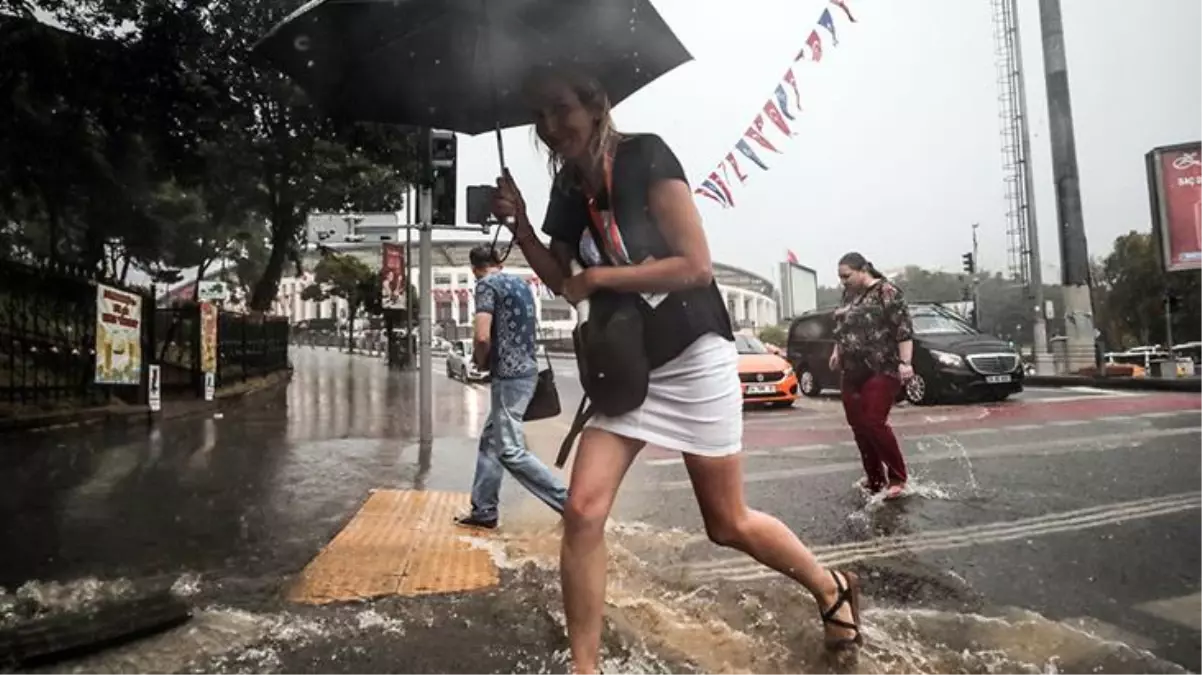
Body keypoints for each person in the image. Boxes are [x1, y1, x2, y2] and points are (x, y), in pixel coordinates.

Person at [490, 66, 864, 674]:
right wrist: (523, 226)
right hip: (629, 366)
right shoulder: (567, 187)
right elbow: (564, 281)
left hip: (693, 356)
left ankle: (830, 588)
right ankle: (585, 668)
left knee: (727, 523)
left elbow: (695, 267)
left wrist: (604, 277)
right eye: (540, 115)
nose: (549, 126)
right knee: (583, 510)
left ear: (596, 103)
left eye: (560, 109)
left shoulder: (645, 157)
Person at [454, 245, 568, 530]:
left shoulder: (486, 285)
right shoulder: (520, 284)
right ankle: (484, 511)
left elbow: (482, 336)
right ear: (498, 262)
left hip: (509, 376)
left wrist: (480, 361)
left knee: (511, 451)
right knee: (492, 441)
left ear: (474, 268)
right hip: (528, 371)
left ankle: (569, 502)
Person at [830, 252, 915, 500]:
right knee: (858, 425)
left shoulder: (887, 292)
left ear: (863, 269)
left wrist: (906, 363)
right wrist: (836, 351)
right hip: (852, 368)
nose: (843, 281)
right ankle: (875, 478)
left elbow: (903, 329)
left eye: (847, 276)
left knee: (873, 421)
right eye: (840, 277)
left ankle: (898, 477)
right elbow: (841, 328)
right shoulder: (849, 295)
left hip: (882, 367)